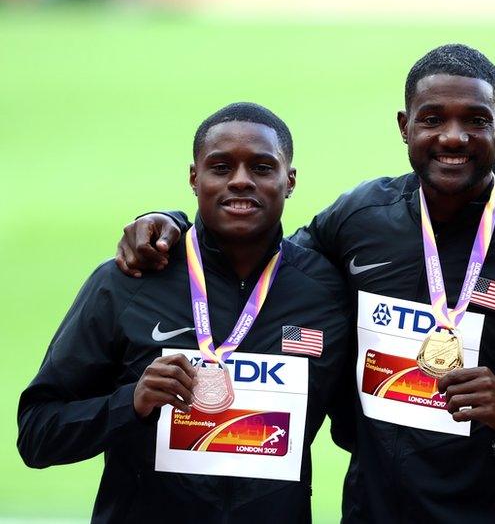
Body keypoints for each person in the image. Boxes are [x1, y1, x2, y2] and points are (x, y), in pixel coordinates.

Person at [113, 45, 495, 523]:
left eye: (475, 120)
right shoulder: (361, 219)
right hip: (375, 512)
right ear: (404, 127)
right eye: (433, 118)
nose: (453, 137)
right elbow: (263, 258)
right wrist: (170, 223)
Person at [18, 103, 351, 523]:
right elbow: (37, 434)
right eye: (221, 167)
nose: (241, 181)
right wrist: (131, 404)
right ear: (195, 179)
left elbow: (361, 428)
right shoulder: (128, 280)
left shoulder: (326, 292)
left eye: (263, 168)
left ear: (290, 181)